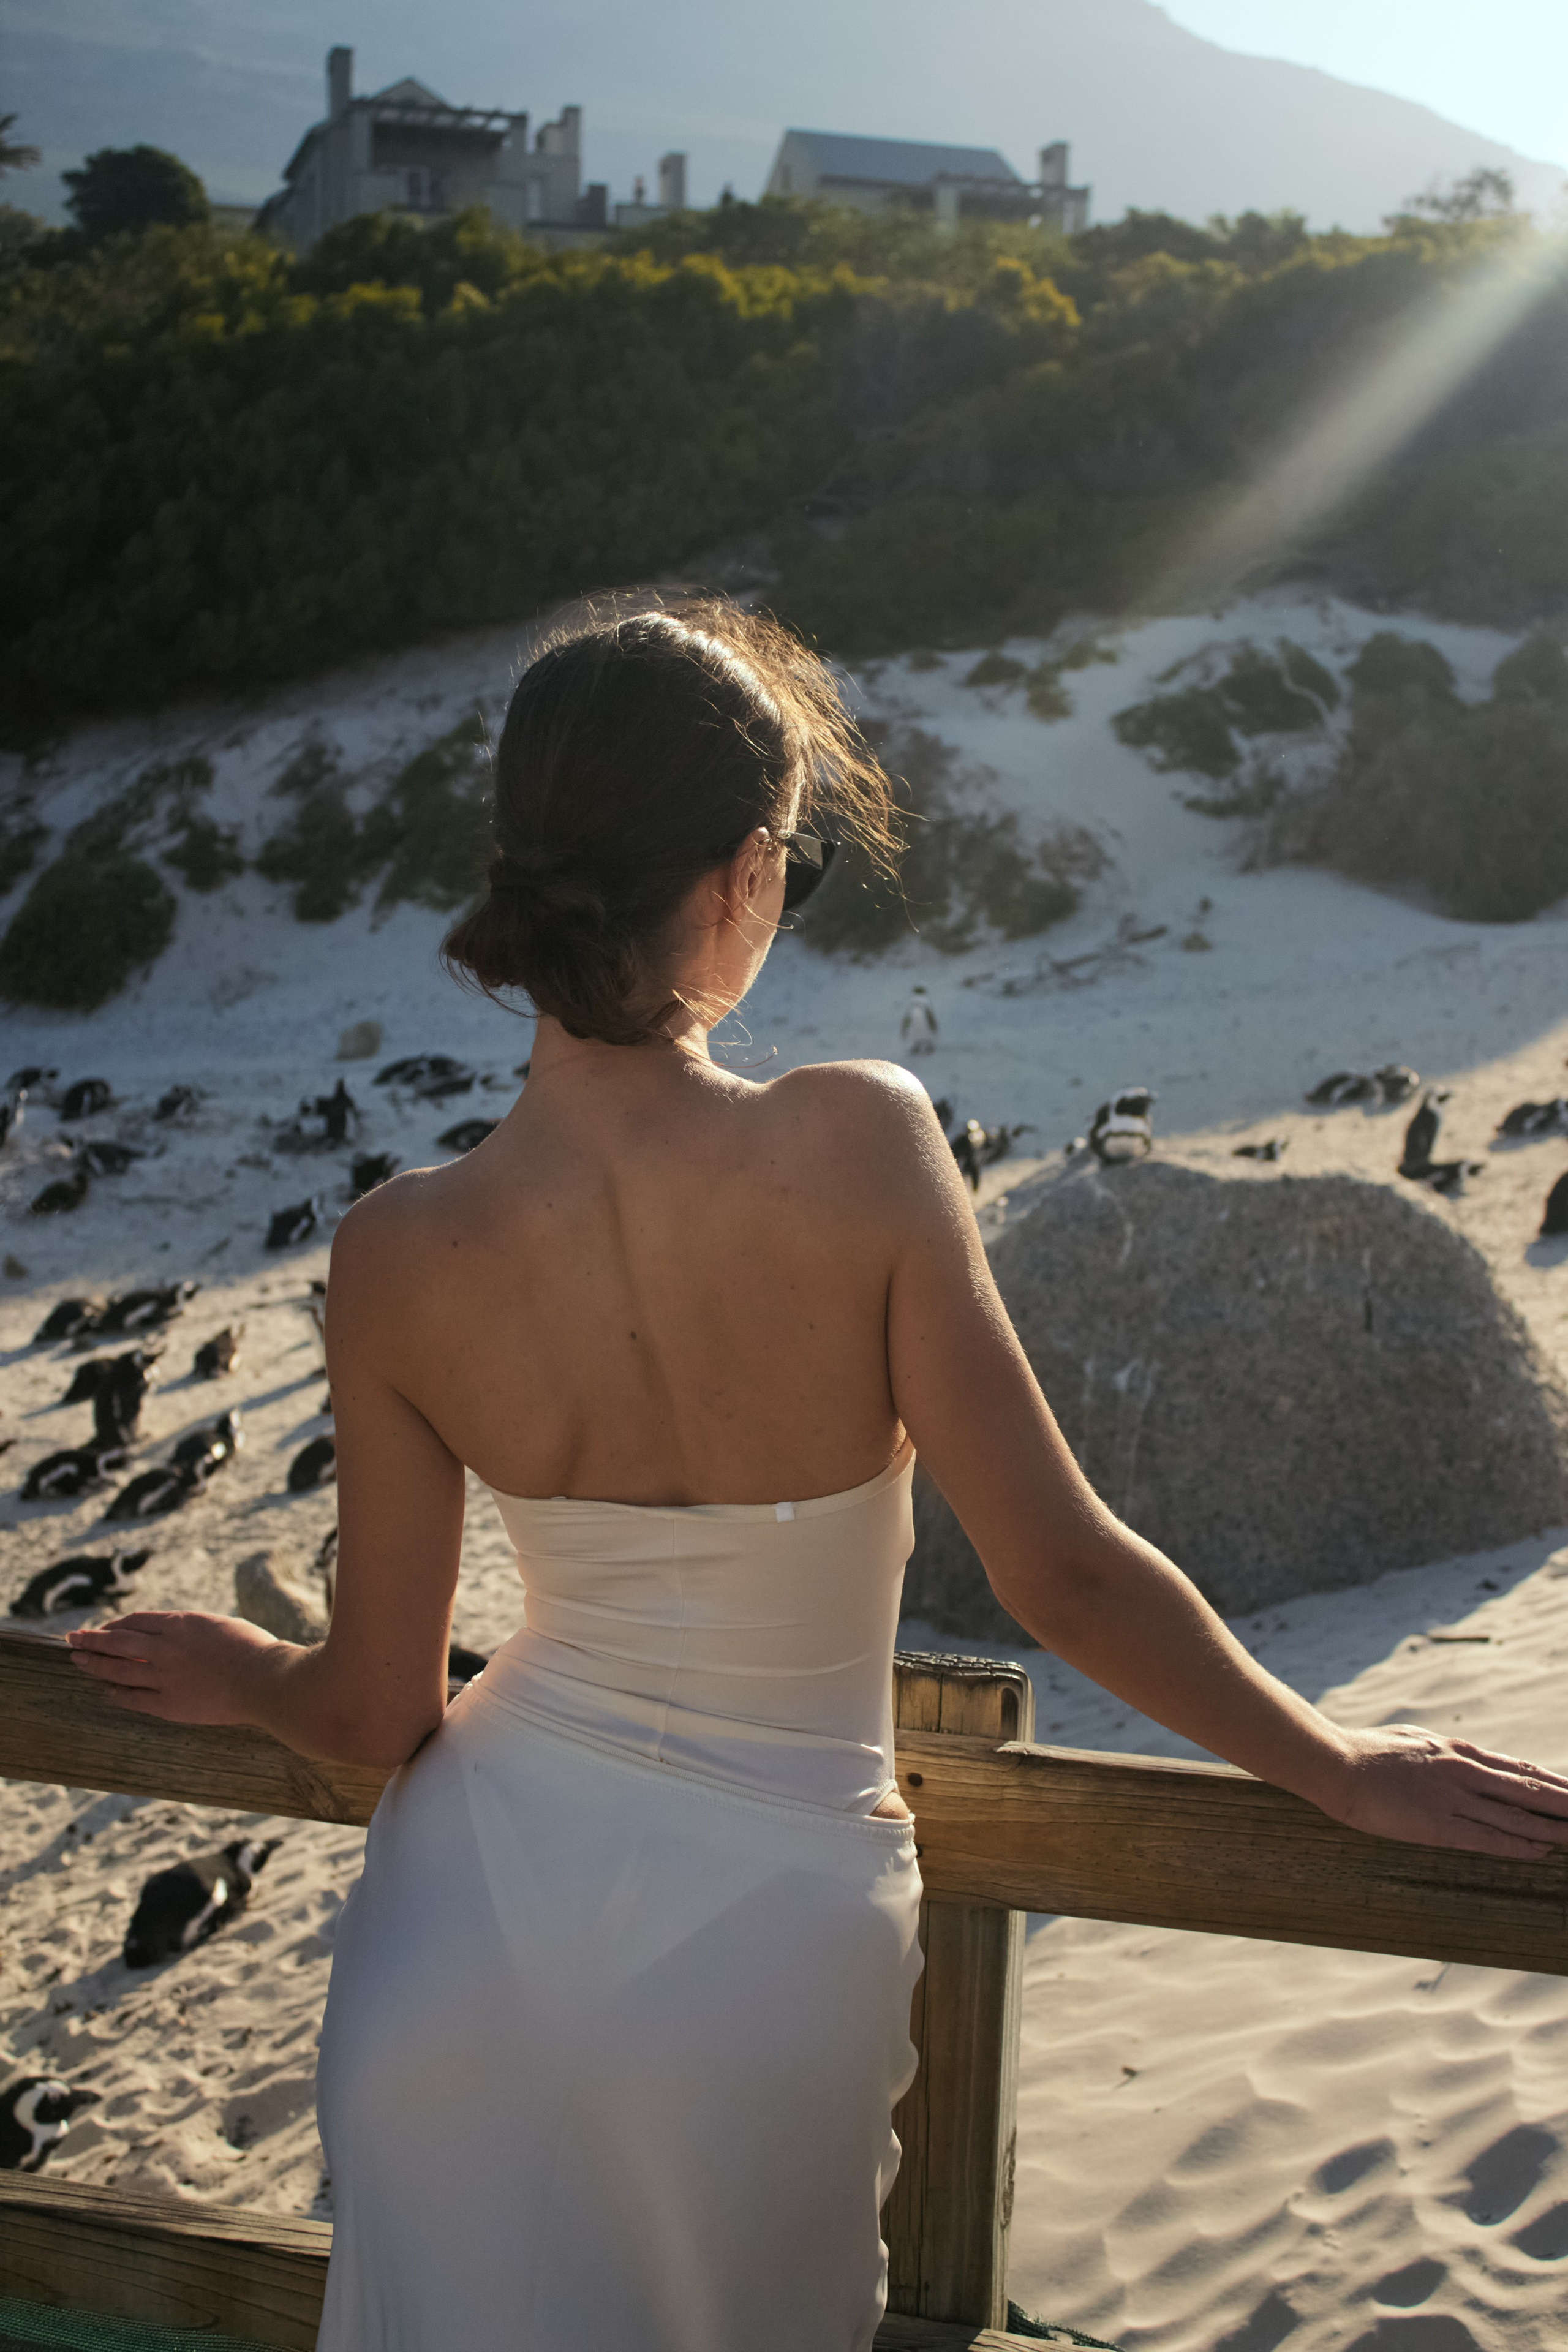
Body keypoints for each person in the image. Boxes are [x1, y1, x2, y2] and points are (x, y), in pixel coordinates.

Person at [68, 598, 1568, 2352]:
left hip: (468, 1929)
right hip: (764, 1944)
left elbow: (380, 1706)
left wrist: (241, 1670)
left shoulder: (402, 1248)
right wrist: (1336, 1767)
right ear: (740, 876)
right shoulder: (859, 1141)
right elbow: (1060, 1574)